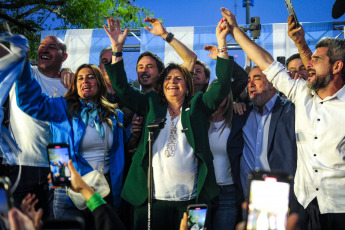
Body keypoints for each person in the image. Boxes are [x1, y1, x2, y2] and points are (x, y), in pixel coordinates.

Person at [103, 17, 234, 229]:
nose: (173, 81)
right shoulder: (151, 103)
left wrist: (222, 43)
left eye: (178, 78)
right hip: (151, 201)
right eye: (168, 79)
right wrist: (117, 50)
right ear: (161, 86)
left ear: (188, 86)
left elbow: (222, 85)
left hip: (192, 200)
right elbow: (122, 90)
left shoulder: (199, 105)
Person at [222, 7, 345, 229]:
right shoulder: (302, 94)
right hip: (304, 206)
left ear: (337, 66)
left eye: (316, 59)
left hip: (339, 209)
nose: (308, 64)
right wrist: (235, 31)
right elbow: (267, 62)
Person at [14, 60, 126, 229]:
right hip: (68, 191)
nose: (85, 81)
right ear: (75, 84)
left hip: (103, 189)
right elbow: (30, 102)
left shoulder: (115, 115)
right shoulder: (62, 107)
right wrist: (22, 68)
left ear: (99, 82)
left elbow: (121, 151)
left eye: (90, 77)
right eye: (80, 78)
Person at [0, 35, 72, 219]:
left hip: (60, 160)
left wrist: (71, 74)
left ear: (64, 56)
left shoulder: (72, 85)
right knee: (23, 219)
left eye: (53, 47)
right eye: (42, 46)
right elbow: (5, 55)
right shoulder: (24, 74)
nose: (44, 49)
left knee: (58, 220)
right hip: (23, 160)